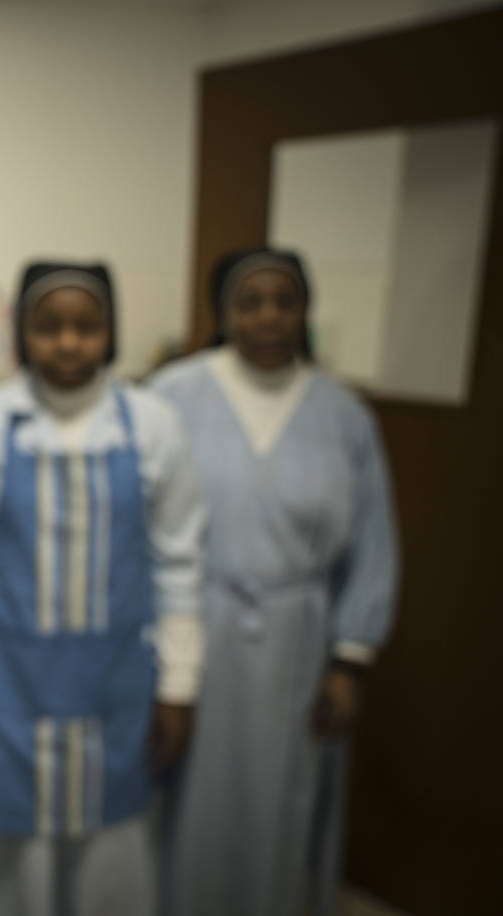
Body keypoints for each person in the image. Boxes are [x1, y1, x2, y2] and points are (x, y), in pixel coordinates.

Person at [151, 247, 399, 916]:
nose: (269, 317)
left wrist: (351, 660)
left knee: (285, 801)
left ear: (305, 312)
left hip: (300, 640)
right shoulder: (172, 395)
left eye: (285, 301)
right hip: (194, 633)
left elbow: (374, 546)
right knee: (190, 804)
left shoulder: (345, 416)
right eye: (250, 302)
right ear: (223, 311)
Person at [0, 262, 206, 916]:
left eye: (87, 326)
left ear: (111, 333)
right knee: (20, 861)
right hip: (14, 681)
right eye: (49, 327)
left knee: (114, 861)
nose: (69, 342)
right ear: (23, 332)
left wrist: (180, 686)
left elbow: (180, 560)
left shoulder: (152, 423)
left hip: (120, 680)